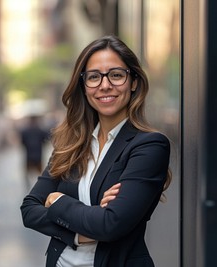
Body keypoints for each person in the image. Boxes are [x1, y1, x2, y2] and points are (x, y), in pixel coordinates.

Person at [20, 35, 171, 267]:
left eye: (116, 75)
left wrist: (57, 200)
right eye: (93, 77)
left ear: (133, 82)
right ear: (83, 86)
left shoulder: (149, 146)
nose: (105, 85)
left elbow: (110, 225)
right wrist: (81, 232)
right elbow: (29, 210)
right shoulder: (70, 143)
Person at [18, 115, 50, 187]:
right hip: (38, 154)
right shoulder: (40, 130)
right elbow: (46, 139)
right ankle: (41, 185)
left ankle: (28, 184)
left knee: (27, 172)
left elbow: (22, 142)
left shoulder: (25, 131)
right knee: (40, 172)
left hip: (29, 154)